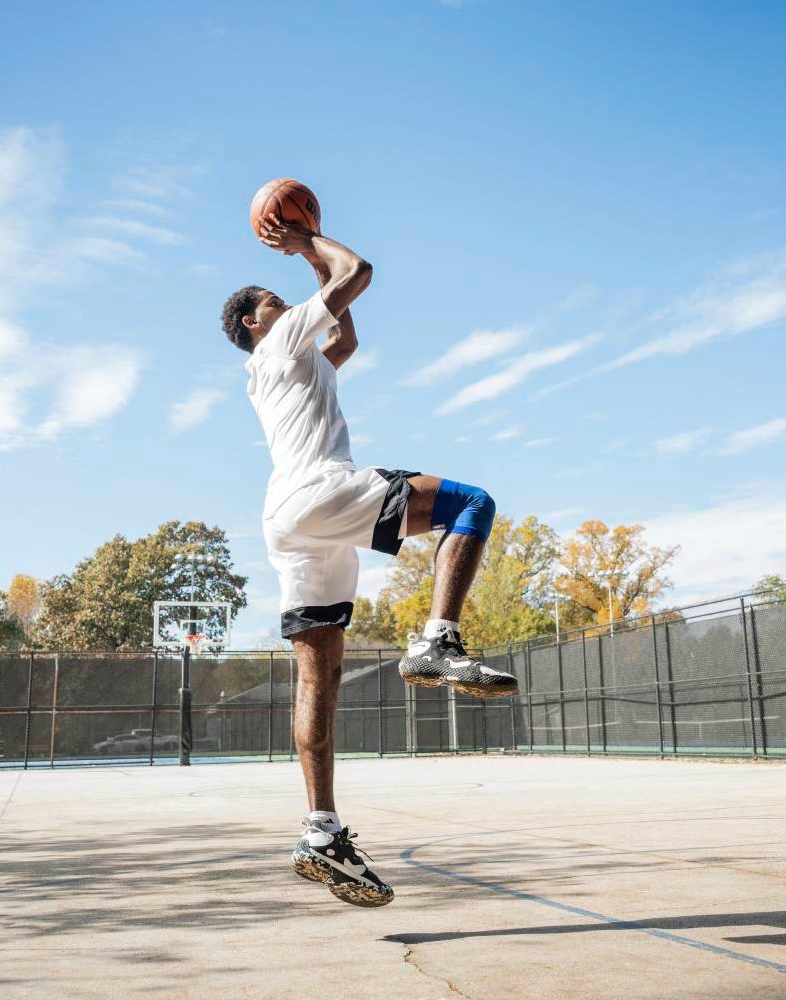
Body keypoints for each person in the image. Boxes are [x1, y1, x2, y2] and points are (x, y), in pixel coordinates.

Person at [221, 214, 518, 908]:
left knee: (318, 676)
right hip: (319, 490)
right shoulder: (280, 342)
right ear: (253, 322)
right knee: (470, 504)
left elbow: (345, 332)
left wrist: (310, 266)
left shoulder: (290, 361)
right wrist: (305, 242)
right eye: (271, 300)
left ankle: (320, 829)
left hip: (289, 523)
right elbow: (359, 274)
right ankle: (437, 640)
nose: (285, 304)